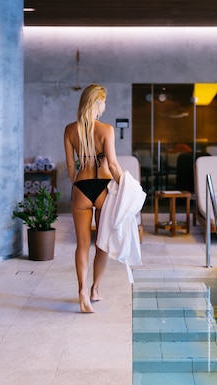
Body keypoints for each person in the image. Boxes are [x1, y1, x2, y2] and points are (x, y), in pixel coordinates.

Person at [64, 84, 123, 313]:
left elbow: (71, 165)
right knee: (102, 244)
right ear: (97, 104)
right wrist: (125, 186)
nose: (105, 105)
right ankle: (95, 290)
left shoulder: (70, 130)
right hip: (103, 188)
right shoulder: (106, 129)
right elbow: (114, 165)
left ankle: (81, 291)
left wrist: (76, 185)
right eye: (104, 101)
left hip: (81, 187)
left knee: (82, 244)